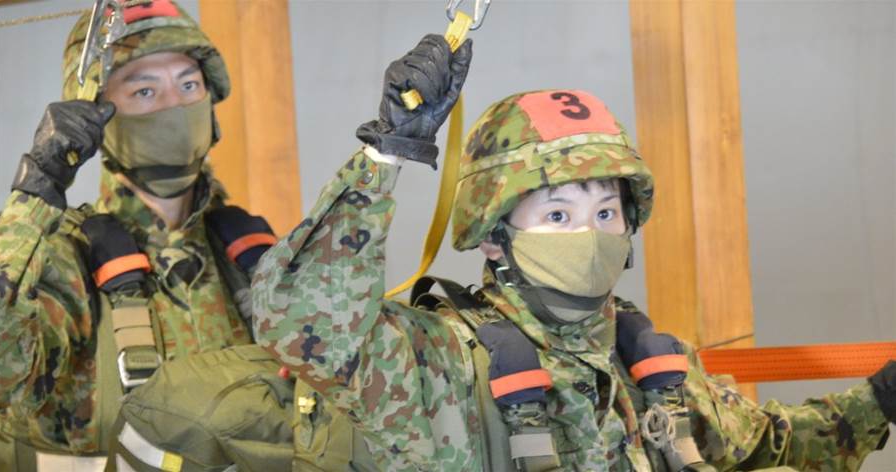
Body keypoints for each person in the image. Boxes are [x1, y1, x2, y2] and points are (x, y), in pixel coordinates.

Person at [244, 34, 895, 471]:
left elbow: (767, 446)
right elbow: (303, 324)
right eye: (558, 215)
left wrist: (882, 398)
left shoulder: (646, 365)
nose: (590, 235)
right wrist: (385, 155)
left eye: (606, 213)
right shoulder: (436, 364)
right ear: (493, 234)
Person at [0, 1, 275, 469]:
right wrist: (37, 189)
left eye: (189, 84)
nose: (174, 105)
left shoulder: (250, 256)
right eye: (145, 90)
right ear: (95, 116)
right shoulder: (64, 261)